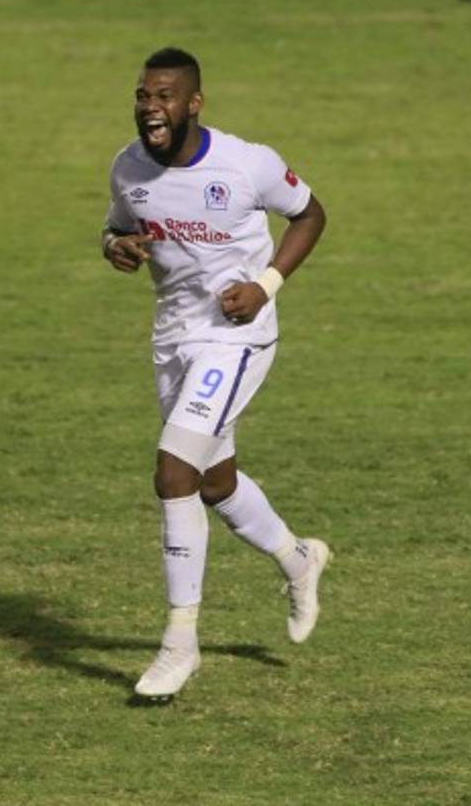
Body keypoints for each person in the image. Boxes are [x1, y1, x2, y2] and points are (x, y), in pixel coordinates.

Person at [102, 48, 331, 698]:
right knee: (213, 482)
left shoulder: (245, 163)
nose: (151, 107)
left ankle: (180, 644)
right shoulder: (128, 167)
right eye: (143, 95)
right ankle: (299, 559)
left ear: (194, 103)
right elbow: (117, 227)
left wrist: (266, 285)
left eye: (165, 96)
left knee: (173, 470)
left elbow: (311, 214)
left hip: (237, 338)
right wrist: (116, 246)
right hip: (173, 339)